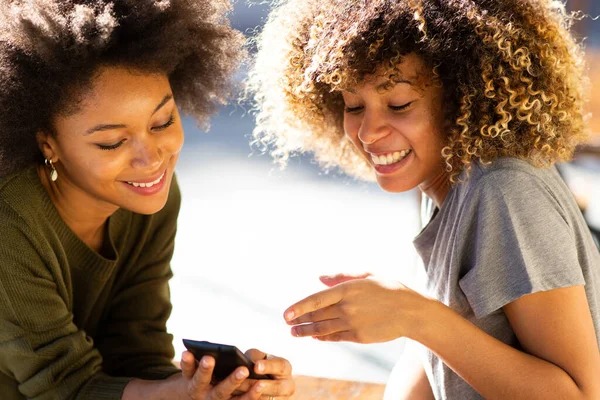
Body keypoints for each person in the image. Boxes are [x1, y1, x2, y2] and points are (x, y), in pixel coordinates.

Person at [248, 0, 600, 398]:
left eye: (399, 105)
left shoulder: (503, 191)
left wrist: (413, 314)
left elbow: (579, 396)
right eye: (353, 106)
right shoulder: (443, 185)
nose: (367, 132)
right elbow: (427, 366)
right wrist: (407, 314)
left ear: (461, 95)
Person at [0, 1, 294, 399]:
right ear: (48, 143)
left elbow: (136, 349)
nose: (152, 159)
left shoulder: (148, 194)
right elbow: (64, 385)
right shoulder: (10, 223)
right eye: (112, 142)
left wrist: (208, 387)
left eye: (162, 122)